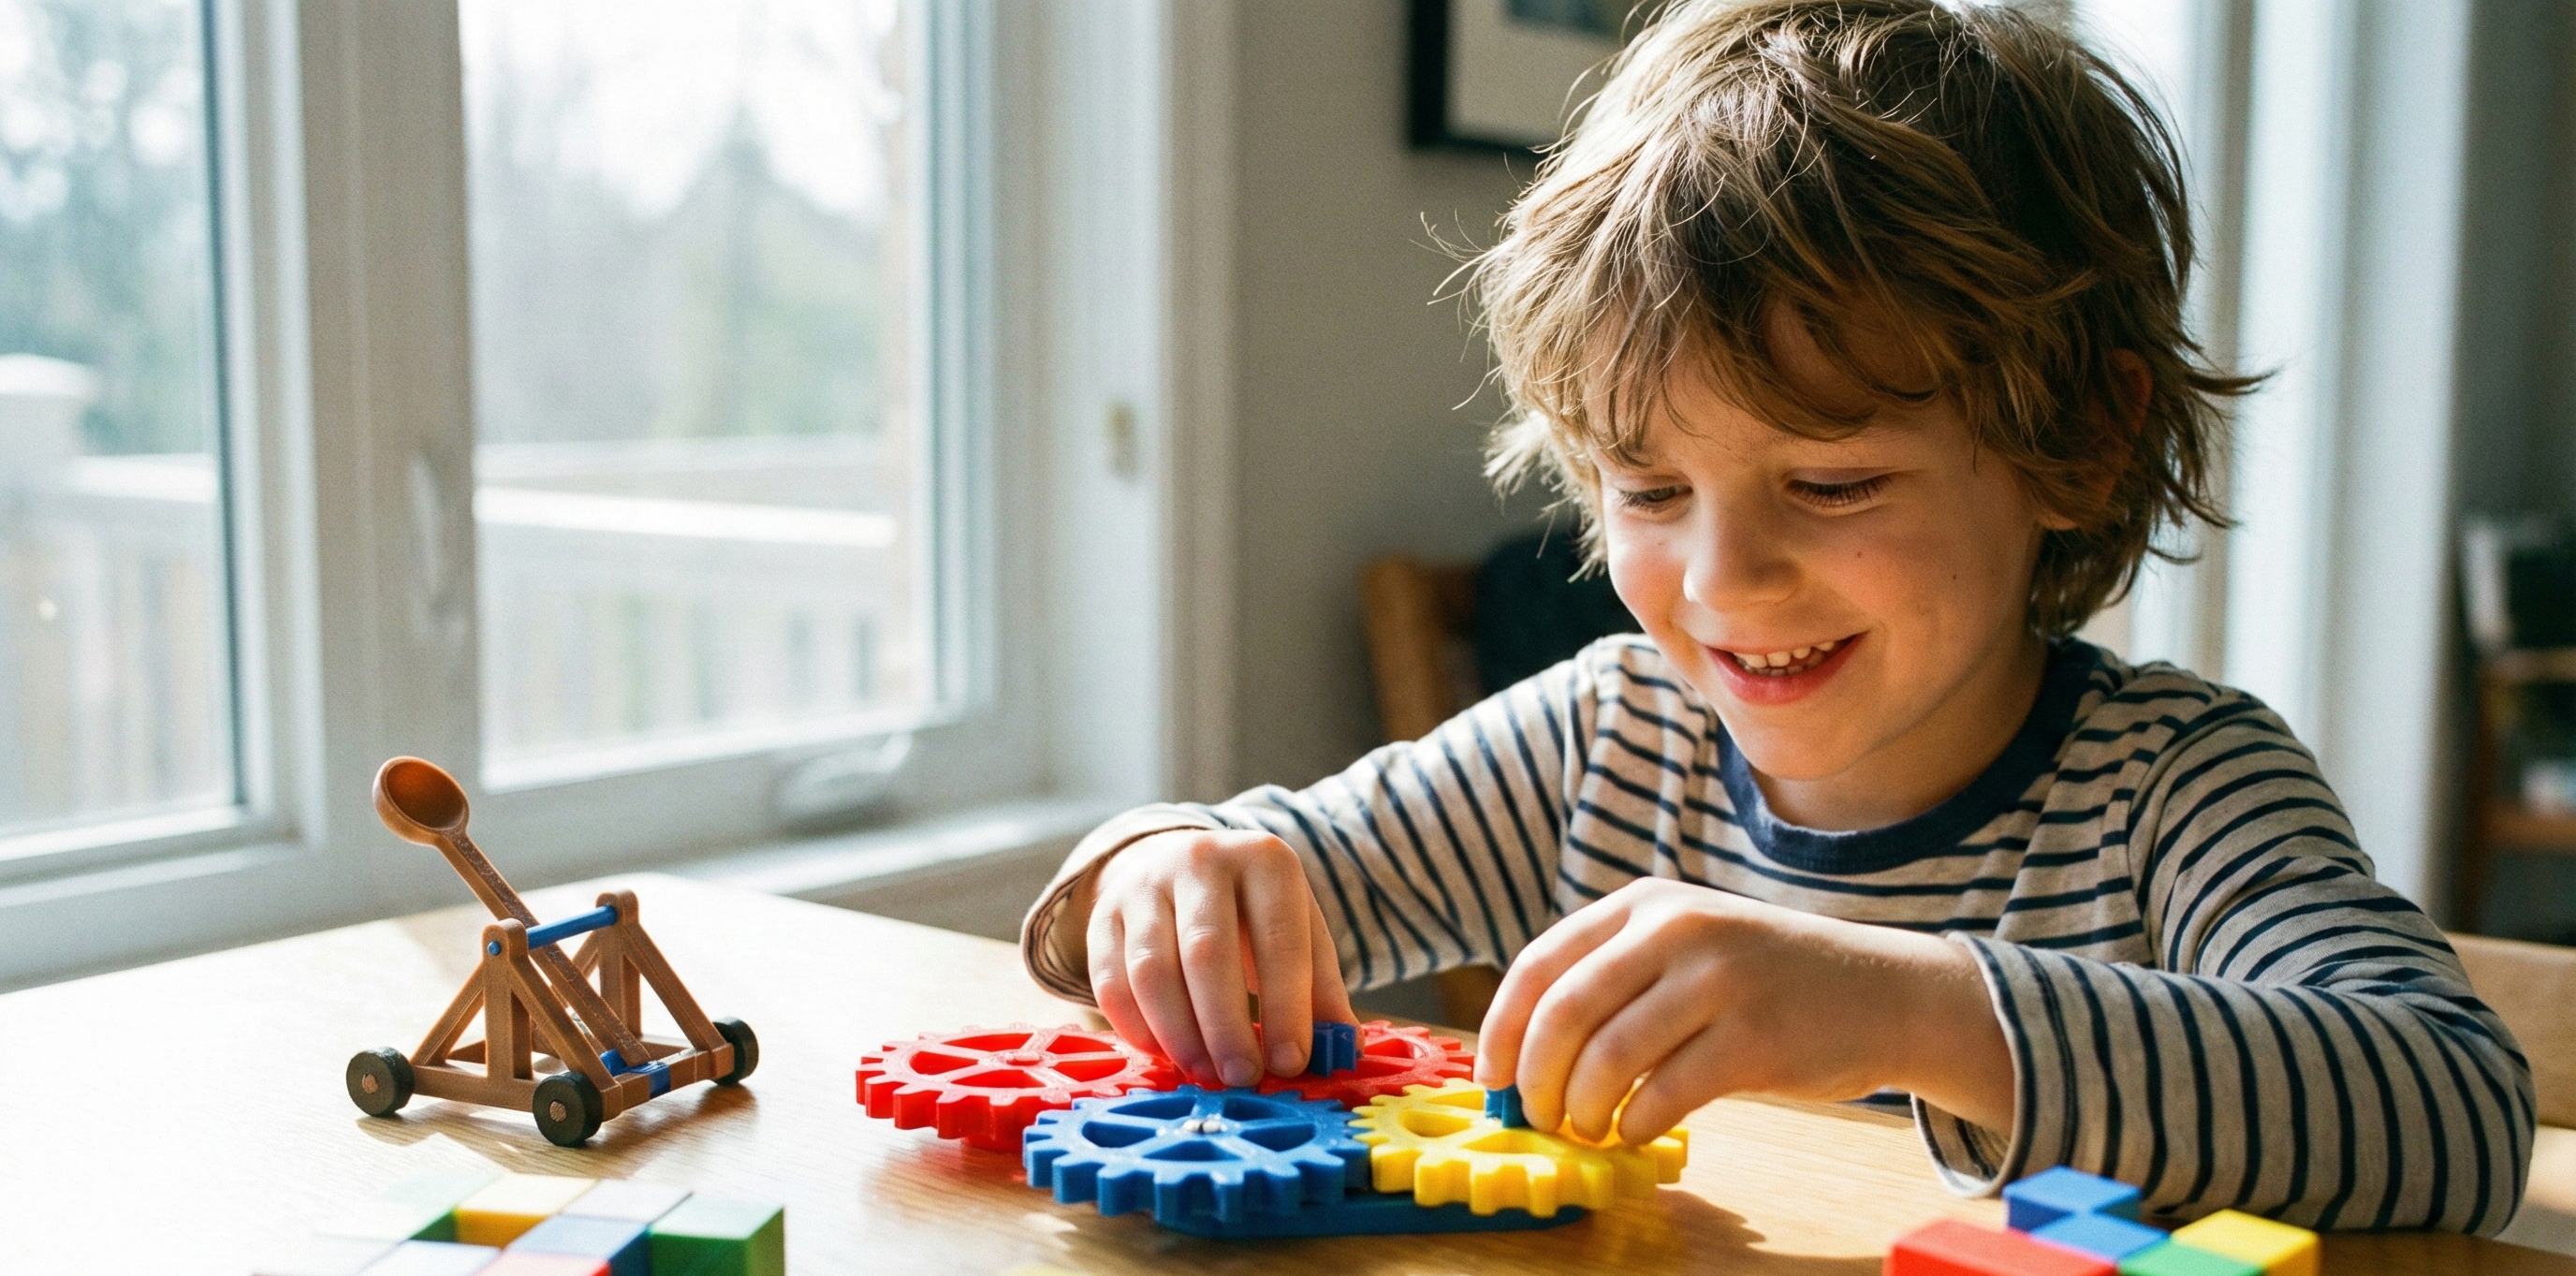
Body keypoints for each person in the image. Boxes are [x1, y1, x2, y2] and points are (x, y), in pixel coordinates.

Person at [1018, 0, 2532, 1232]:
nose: (1725, 582)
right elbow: (1249, 879)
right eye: (1648, 488)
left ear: (2079, 439)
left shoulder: (2173, 789)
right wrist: (1154, 868)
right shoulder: (1602, 739)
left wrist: (1896, 1008)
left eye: (1832, 482)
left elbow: (2450, 1106)